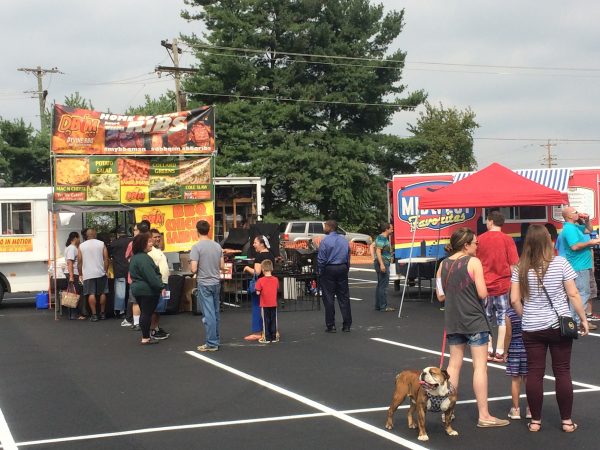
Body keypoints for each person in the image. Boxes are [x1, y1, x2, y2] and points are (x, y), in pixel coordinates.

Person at [510, 224, 589, 432]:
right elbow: (573, 293)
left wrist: (526, 315)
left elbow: (514, 299)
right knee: (562, 371)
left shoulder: (520, 268)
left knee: (535, 372)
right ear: (549, 241)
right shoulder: (560, 263)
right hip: (558, 325)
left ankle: (535, 421)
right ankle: (566, 421)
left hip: (531, 327)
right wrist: (583, 318)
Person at [436, 227, 509, 428]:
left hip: (453, 320)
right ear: (466, 245)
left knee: (453, 366)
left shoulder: (443, 264)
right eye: (476, 243)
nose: (478, 246)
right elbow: (483, 293)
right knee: (480, 367)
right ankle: (484, 415)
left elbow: (440, 296)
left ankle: (448, 411)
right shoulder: (473, 262)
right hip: (474, 319)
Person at [477, 211, 519, 362]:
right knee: (503, 317)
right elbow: (514, 264)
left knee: (486, 317)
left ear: (490, 221)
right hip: (503, 284)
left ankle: (488, 349)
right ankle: (500, 350)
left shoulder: (480, 239)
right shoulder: (508, 239)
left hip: (484, 285)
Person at [559, 207, 600, 330]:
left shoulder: (574, 227)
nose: (578, 213)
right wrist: (591, 242)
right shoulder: (569, 229)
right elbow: (575, 246)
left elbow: (589, 229)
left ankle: (575, 320)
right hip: (579, 266)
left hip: (582, 265)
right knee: (583, 293)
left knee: (579, 293)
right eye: (575, 212)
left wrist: (587, 220)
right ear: (569, 216)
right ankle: (576, 321)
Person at [190, 220, 224, 352]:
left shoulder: (196, 247)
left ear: (197, 231)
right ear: (209, 230)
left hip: (204, 283)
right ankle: (215, 339)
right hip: (216, 282)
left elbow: (193, 269)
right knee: (215, 312)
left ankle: (211, 342)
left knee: (208, 314)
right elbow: (222, 266)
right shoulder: (217, 246)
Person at [317, 220, 352, 333]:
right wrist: (346, 268)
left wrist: (320, 271)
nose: (324, 228)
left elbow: (321, 259)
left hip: (329, 269)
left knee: (329, 297)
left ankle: (331, 325)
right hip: (342, 267)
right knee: (344, 297)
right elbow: (348, 256)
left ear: (329, 227)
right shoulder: (344, 240)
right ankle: (347, 325)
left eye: (325, 226)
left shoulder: (325, 241)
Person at [129, 232, 163, 345]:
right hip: (147, 290)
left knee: (145, 312)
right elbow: (151, 276)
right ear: (142, 244)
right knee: (147, 313)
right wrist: (160, 286)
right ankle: (146, 337)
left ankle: (146, 336)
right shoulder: (144, 259)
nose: (151, 244)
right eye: (148, 242)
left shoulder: (135, 258)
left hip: (137, 288)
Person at [243, 235, 275, 340]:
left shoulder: (259, 256)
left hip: (260, 285)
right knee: (270, 309)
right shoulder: (271, 255)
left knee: (257, 307)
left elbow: (257, 272)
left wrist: (247, 268)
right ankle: (272, 330)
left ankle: (257, 332)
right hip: (270, 285)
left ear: (262, 244)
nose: (253, 245)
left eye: (255, 243)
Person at [503, 306, 530, 420]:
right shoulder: (529, 309)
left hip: (514, 348)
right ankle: (530, 409)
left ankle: (515, 410)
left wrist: (505, 351)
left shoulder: (509, 313)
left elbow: (508, 334)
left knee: (515, 379)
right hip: (528, 347)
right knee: (529, 379)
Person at [77, 228, 109, 322]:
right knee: (103, 292)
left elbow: (79, 261)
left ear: (87, 235)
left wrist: (80, 273)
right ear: (95, 235)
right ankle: (102, 313)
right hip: (100, 273)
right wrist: (105, 270)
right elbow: (106, 259)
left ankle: (94, 315)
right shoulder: (101, 244)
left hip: (88, 273)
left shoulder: (81, 246)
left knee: (91, 293)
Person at [126, 221, 151, 330]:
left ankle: (138, 322)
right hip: (141, 278)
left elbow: (127, 257)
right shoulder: (145, 243)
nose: (134, 232)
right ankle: (138, 322)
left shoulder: (133, 243)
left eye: (135, 229)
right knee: (139, 301)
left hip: (136, 278)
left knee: (137, 300)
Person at [148, 229, 170, 340]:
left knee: (161, 307)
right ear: (150, 238)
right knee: (155, 307)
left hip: (165, 283)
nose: (158, 239)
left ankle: (156, 327)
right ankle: (152, 329)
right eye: (155, 237)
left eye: (159, 237)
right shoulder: (150, 252)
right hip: (159, 284)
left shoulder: (158, 250)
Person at [109, 227, 132, 321]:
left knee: (120, 292)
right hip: (130, 270)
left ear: (118, 234)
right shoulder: (131, 241)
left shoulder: (114, 243)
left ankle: (120, 311)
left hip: (119, 270)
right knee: (131, 291)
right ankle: (131, 310)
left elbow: (110, 256)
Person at [255, 259, 280, 344]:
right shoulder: (276, 279)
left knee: (266, 321)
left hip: (264, 304)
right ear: (271, 268)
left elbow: (258, 292)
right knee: (273, 320)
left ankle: (266, 337)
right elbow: (277, 288)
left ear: (262, 269)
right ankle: (274, 337)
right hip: (273, 304)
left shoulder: (260, 280)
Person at [373, 222, 395, 312]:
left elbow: (374, 247)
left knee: (380, 285)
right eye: (391, 229)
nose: (392, 230)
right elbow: (378, 251)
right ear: (386, 229)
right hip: (383, 262)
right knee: (383, 285)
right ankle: (383, 306)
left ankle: (378, 305)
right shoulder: (382, 238)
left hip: (381, 261)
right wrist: (382, 264)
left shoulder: (380, 237)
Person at [63, 231, 85, 320]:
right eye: (79, 238)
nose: (80, 240)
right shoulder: (72, 248)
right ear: (75, 238)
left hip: (73, 273)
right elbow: (70, 263)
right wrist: (71, 276)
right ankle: (74, 314)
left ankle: (74, 313)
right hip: (73, 273)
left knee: (74, 293)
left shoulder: (71, 248)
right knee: (75, 294)